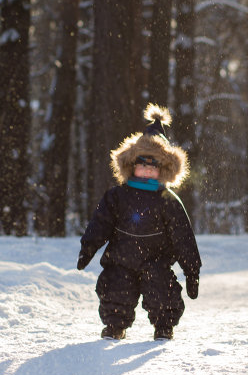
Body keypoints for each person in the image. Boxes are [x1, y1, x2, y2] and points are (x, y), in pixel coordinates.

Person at [77, 104, 201, 341]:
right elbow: (100, 223)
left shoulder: (167, 201)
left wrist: (191, 270)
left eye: (152, 165)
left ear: (163, 169)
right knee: (115, 288)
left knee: (162, 288)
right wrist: (88, 248)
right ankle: (115, 325)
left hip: (156, 260)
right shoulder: (117, 196)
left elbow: (183, 237)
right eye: (141, 164)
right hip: (121, 258)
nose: (145, 169)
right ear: (131, 165)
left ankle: (164, 326)